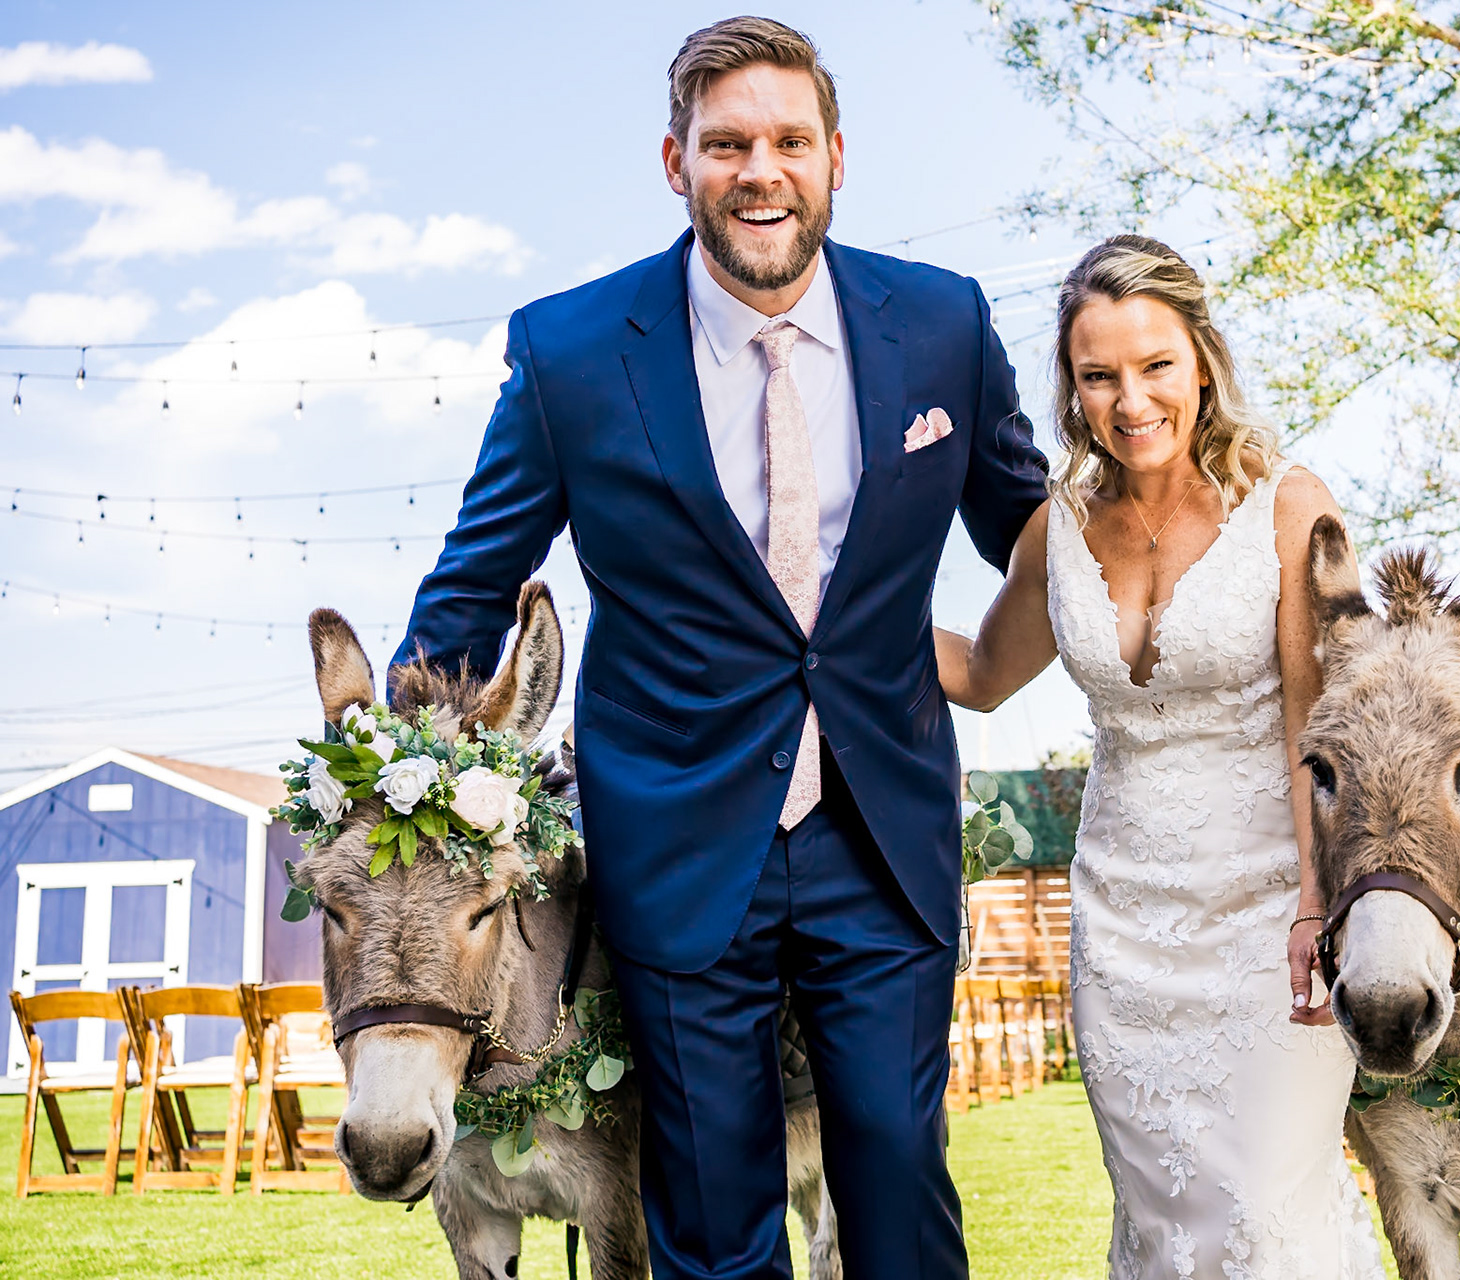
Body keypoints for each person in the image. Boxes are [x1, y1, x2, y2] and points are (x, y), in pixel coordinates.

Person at [393, 17, 1047, 1280]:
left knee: (899, 1184)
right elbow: (470, 586)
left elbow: (1036, 532)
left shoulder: (943, 325)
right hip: (676, 837)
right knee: (709, 1205)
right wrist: (400, 782)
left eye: (790, 141)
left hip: (885, 828)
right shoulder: (571, 349)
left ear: (837, 157)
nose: (762, 170)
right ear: (675, 161)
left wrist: (1136, 588)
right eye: (728, 143)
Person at [936, 235, 1385, 1278]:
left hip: (1271, 918)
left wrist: (1316, 908)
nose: (1130, 400)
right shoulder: (1057, 529)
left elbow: (1316, 732)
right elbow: (985, 673)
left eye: (1155, 366)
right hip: (1122, 929)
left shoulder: (1289, 506)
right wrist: (829, 605)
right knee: (1161, 1220)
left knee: (1264, 1212)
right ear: (1071, 387)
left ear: (1203, 362)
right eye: (1098, 375)